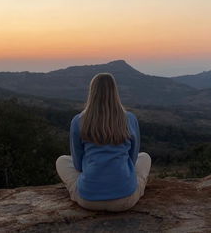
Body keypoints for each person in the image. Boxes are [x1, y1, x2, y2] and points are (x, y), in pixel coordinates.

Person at [56, 73, 151, 211]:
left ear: (92, 92)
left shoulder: (78, 121)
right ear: (115, 92)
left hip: (88, 200)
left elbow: (77, 164)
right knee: (144, 157)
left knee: (62, 161)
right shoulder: (130, 119)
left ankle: (81, 188)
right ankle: (135, 187)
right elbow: (133, 158)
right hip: (125, 200)